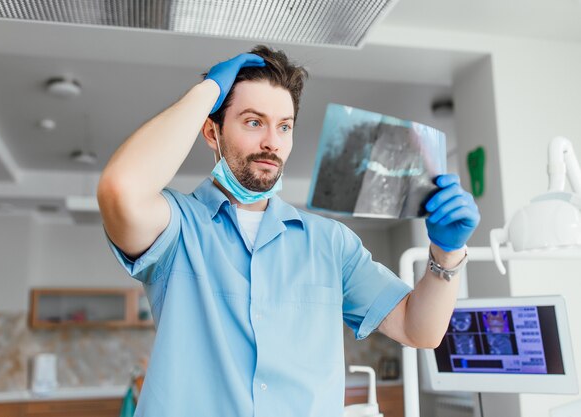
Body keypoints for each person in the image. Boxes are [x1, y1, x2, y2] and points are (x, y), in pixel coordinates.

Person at [97, 45, 480, 417]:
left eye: (284, 126)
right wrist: (208, 91)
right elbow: (120, 190)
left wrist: (446, 252)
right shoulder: (176, 228)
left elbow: (422, 331)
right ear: (212, 132)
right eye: (253, 122)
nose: (272, 142)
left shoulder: (330, 243)